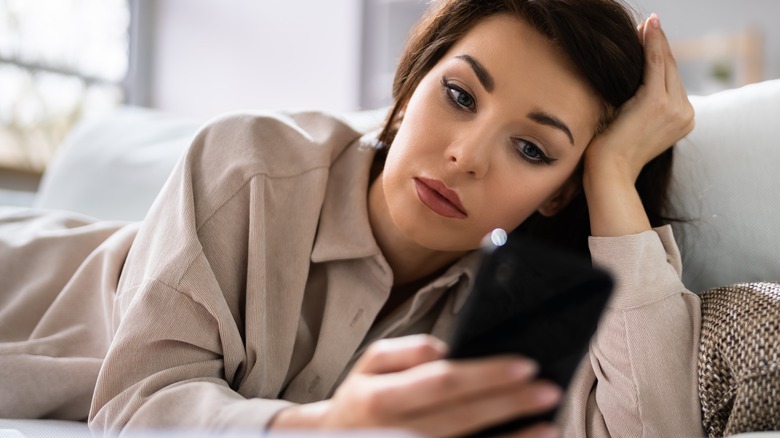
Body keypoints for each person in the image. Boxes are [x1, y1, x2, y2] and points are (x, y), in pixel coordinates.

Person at [0, 0, 702, 436]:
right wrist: (326, 426)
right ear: (408, 89)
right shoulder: (250, 163)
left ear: (559, 191)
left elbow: (653, 428)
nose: (465, 157)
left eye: (530, 148)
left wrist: (612, 175)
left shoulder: (514, 311)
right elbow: (135, 408)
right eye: (459, 95)